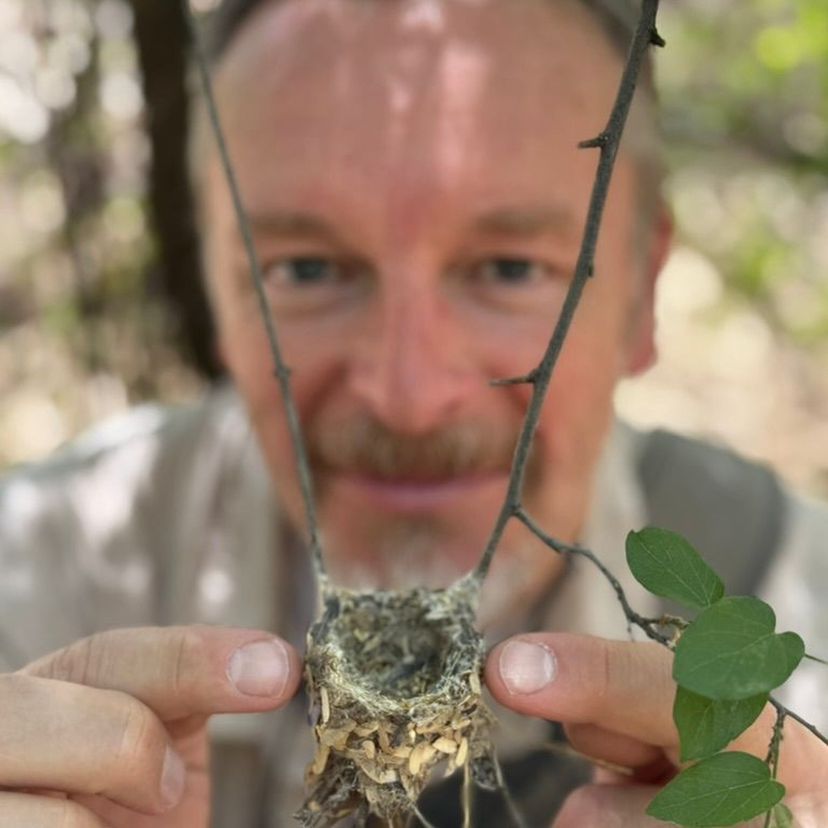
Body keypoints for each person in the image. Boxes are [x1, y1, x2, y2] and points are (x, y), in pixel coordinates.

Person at [0, 0, 826, 825]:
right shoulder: (39, 579)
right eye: (308, 269)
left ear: (643, 293)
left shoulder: (799, 605)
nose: (409, 401)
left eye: (509, 268)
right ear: (219, 288)